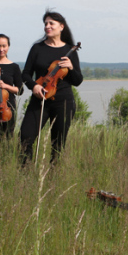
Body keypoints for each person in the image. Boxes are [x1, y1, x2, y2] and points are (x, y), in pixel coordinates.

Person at [19, 10, 82, 165]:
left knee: (58, 143)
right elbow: (26, 74)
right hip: (39, 99)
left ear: (61, 27)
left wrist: (71, 67)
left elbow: (77, 81)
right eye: (45, 23)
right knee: (25, 137)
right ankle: (25, 173)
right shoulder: (37, 48)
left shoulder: (70, 50)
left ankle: (54, 174)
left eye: (51, 23)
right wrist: (34, 86)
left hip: (63, 102)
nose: (47, 26)